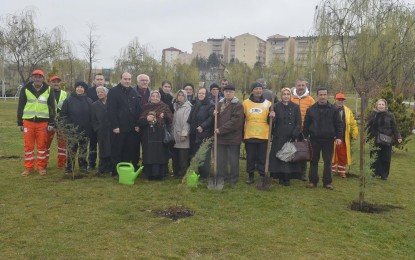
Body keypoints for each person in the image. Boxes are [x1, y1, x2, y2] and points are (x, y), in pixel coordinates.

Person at [17, 69, 56, 176]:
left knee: (42, 146)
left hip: (43, 123)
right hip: (28, 122)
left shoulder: (48, 89)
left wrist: (51, 123)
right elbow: (21, 106)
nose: (37, 78)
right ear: (32, 77)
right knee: (28, 147)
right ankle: (28, 168)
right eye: (35, 76)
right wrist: (20, 122)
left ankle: (41, 167)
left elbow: (52, 108)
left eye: (40, 77)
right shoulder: (25, 89)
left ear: (43, 78)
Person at [303, 87, 343, 190]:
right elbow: (306, 125)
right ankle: (312, 181)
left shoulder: (334, 109)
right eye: (320, 95)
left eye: (324, 94)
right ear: (317, 96)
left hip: (328, 139)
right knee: (313, 161)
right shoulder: (311, 109)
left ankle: (327, 182)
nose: (323, 97)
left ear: (327, 95)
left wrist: (339, 137)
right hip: (314, 139)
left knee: (328, 161)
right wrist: (304, 137)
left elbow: (339, 124)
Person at [107, 72, 140, 178]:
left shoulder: (133, 92)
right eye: (125, 79)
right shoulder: (113, 92)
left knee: (128, 150)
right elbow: (111, 110)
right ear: (121, 79)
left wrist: (136, 124)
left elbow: (136, 109)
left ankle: (124, 170)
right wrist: (115, 126)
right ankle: (115, 172)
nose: (127, 81)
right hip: (119, 128)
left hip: (130, 128)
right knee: (117, 150)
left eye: (129, 79)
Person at [269, 88, 302, 186]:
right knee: (279, 156)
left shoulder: (295, 107)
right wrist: (272, 117)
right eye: (284, 94)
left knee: (289, 156)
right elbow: (270, 123)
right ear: (281, 96)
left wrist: (295, 133)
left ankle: (287, 177)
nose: (286, 96)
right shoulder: (275, 106)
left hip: (291, 136)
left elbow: (298, 122)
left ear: (290, 95)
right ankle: (279, 176)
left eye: (288, 94)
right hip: (279, 136)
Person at [243, 82, 274, 185]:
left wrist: (273, 117)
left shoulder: (268, 104)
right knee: (250, 156)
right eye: (256, 88)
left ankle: (262, 175)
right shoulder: (245, 103)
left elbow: (272, 122)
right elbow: (241, 119)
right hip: (249, 134)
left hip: (263, 135)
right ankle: (250, 175)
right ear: (252, 90)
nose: (258, 90)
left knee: (262, 157)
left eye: (260, 88)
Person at [139, 90, 173, 180]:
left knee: (160, 155)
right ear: (150, 97)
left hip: (160, 134)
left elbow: (171, 118)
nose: (155, 98)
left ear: (159, 97)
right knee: (149, 155)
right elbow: (140, 121)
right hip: (148, 135)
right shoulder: (146, 107)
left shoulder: (164, 106)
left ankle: (160, 174)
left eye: (157, 96)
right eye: (153, 96)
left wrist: (164, 115)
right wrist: (147, 119)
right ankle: (149, 174)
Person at [60, 81, 93, 174]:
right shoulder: (68, 100)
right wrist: (69, 127)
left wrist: (89, 128)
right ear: (75, 88)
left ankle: (83, 167)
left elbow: (92, 116)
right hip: (72, 131)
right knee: (71, 150)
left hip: (85, 131)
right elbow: (63, 115)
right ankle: (70, 167)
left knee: (83, 149)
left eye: (82, 87)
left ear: (84, 89)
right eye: (78, 87)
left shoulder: (89, 101)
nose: (80, 89)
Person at [214, 84, 244, 185]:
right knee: (221, 158)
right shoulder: (219, 104)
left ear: (234, 93)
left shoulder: (238, 105)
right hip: (221, 137)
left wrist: (221, 130)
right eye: (226, 91)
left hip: (233, 137)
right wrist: (214, 114)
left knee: (233, 159)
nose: (228, 93)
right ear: (224, 93)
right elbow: (217, 118)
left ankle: (234, 178)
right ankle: (223, 175)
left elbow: (235, 122)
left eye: (230, 91)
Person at [366, 99, 402, 180]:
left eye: (382, 104)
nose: (381, 106)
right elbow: (368, 126)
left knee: (386, 157)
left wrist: (398, 137)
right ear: (376, 105)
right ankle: (374, 174)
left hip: (387, 139)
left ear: (385, 106)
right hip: (375, 139)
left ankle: (384, 175)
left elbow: (394, 127)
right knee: (374, 157)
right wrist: (367, 137)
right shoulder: (373, 114)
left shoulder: (390, 115)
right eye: (379, 104)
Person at [291, 78, 315, 181]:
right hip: (292, 129)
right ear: (295, 86)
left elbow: (314, 115)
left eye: (302, 85)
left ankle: (302, 172)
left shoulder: (310, 100)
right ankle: (292, 171)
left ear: (305, 86)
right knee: (292, 150)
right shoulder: (291, 98)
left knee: (303, 151)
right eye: (299, 85)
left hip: (305, 130)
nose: (301, 87)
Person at [187, 87, 214, 178]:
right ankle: (197, 171)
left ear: (206, 95)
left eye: (203, 93)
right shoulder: (196, 104)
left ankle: (204, 173)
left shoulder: (210, 105)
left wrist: (203, 126)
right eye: (199, 93)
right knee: (195, 153)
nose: (201, 95)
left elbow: (211, 118)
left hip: (204, 134)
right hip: (194, 133)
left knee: (204, 154)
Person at [331, 93, 359, 178]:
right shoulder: (330, 109)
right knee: (331, 154)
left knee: (342, 154)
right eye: (339, 99)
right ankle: (331, 170)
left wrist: (354, 133)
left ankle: (342, 171)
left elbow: (353, 123)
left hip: (343, 136)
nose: (340, 101)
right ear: (335, 100)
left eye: (342, 100)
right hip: (331, 137)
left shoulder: (348, 110)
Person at [45, 75, 67, 169]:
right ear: (50, 83)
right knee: (45, 144)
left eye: (57, 81)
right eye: (53, 81)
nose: (56, 83)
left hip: (61, 122)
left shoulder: (64, 93)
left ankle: (61, 164)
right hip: (49, 122)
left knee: (62, 145)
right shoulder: (46, 93)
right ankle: (43, 164)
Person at [86, 73, 106, 170]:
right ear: (94, 81)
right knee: (93, 144)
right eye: (97, 79)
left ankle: (105, 163)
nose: (99, 81)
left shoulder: (108, 91)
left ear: (104, 81)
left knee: (105, 144)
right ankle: (91, 162)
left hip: (105, 124)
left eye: (101, 79)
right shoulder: (89, 91)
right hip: (93, 122)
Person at [91, 86, 112, 176]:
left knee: (110, 148)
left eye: (101, 92)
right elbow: (93, 119)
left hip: (111, 130)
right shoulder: (94, 105)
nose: (99, 94)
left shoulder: (111, 103)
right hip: (101, 131)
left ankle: (109, 168)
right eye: (98, 92)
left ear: (106, 93)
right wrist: (97, 128)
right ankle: (101, 168)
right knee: (102, 148)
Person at [171, 90, 192, 178]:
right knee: (175, 156)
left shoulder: (187, 107)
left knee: (183, 157)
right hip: (175, 135)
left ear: (185, 97)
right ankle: (176, 173)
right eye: (178, 95)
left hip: (183, 135)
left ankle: (183, 174)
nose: (180, 97)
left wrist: (184, 134)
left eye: (182, 95)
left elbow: (187, 121)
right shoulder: (176, 106)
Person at [132, 74, 151, 169]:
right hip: (136, 125)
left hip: (148, 124)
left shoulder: (151, 94)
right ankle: (134, 166)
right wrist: (136, 124)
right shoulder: (132, 93)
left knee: (147, 147)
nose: (145, 82)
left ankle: (146, 166)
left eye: (146, 80)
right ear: (137, 82)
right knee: (134, 147)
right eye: (142, 80)